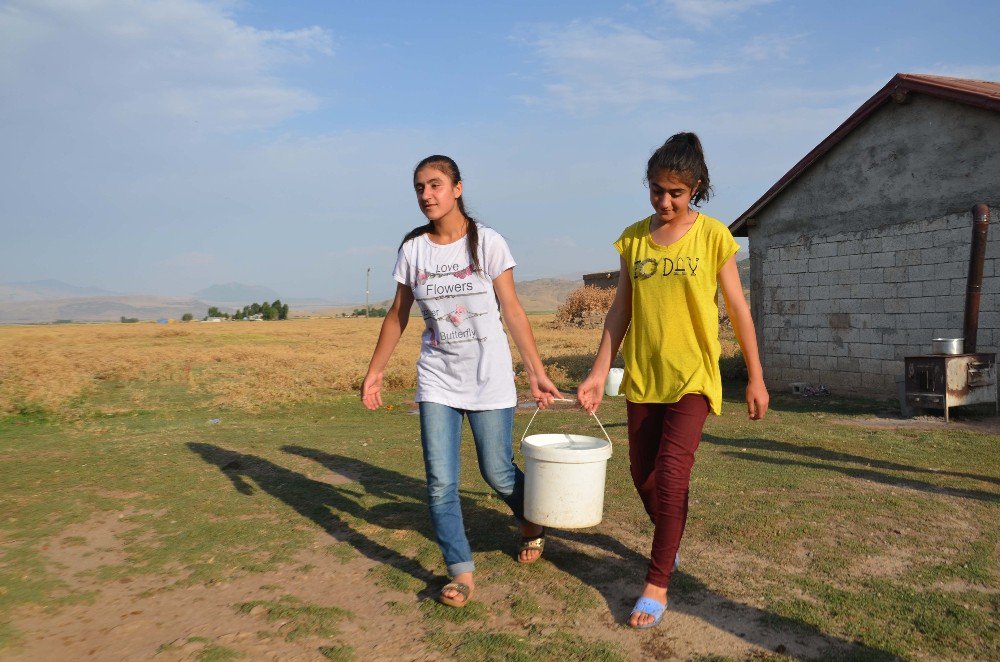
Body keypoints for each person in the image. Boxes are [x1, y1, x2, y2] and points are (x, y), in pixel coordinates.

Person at [576, 132, 769, 629]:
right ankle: (671, 541)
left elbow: (738, 310)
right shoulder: (634, 239)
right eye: (657, 191)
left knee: (673, 473)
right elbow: (620, 310)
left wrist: (755, 377)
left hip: (694, 377)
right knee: (644, 478)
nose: (665, 201)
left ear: (696, 189)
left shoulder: (714, 237)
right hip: (644, 376)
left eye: (675, 193)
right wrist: (600, 371)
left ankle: (657, 582)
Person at [361, 155, 561, 609]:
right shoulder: (413, 250)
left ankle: (534, 521)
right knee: (440, 482)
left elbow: (512, 310)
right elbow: (397, 315)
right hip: (437, 378)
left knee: (497, 471)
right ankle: (461, 572)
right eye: (419, 188)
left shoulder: (487, 243)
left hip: (488, 376)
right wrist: (374, 372)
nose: (426, 195)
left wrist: (535, 371)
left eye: (434, 185)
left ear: (457, 188)